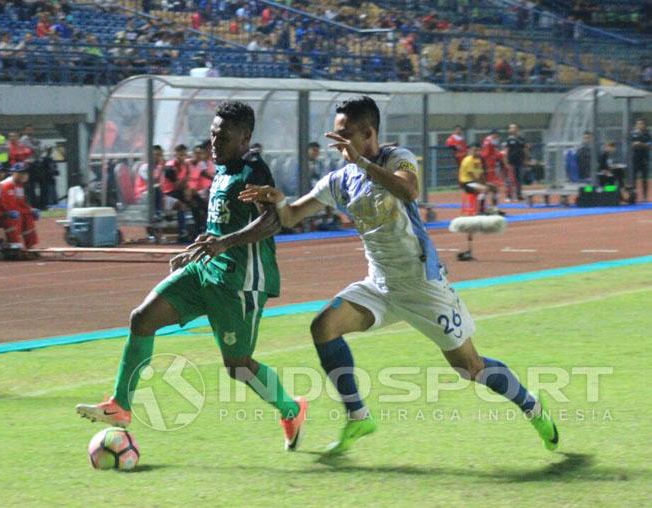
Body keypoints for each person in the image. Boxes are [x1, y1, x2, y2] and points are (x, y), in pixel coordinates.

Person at [239, 96, 558, 455]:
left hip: (423, 283)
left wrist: (362, 162)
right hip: (379, 283)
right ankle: (359, 416)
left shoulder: (396, 157)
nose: (337, 141)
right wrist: (277, 200)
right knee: (323, 327)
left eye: (344, 134)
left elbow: (408, 189)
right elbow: (292, 217)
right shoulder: (340, 179)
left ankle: (532, 406)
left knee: (470, 367)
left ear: (368, 133)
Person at [76, 101, 308, 451]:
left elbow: (273, 221)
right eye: (213, 134)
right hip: (205, 270)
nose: (214, 141)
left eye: (223, 136)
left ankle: (291, 409)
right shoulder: (224, 169)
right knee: (142, 319)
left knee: (238, 367)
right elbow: (225, 222)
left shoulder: (253, 170)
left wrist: (223, 243)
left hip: (240, 282)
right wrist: (199, 246)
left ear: (245, 138)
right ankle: (121, 405)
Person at [0, 162, 40, 252]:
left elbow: (20, 203)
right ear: (14, 173)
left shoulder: (19, 185)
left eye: (25, 173)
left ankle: (30, 245)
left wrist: (30, 210)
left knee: (28, 217)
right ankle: (14, 243)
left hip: (12, 210)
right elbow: (9, 206)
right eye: (21, 173)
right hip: (1, 212)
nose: (24, 175)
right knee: (16, 218)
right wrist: (22, 211)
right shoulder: (7, 185)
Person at [459, 142, 499, 214]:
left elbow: (480, 174)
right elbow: (472, 175)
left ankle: (494, 208)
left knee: (494, 188)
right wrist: (482, 184)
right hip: (467, 183)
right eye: (475, 150)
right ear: (471, 151)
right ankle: (480, 210)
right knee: (484, 189)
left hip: (475, 182)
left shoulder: (478, 160)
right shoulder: (468, 160)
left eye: (479, 150)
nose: (478, 152)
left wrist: (485, 182)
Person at [502, 123, 527, 201]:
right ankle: (509, 196)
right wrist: (506, 162)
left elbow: (525, 149)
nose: (513, 129)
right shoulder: (508, 140)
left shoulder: (521, 139)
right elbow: (505, 151)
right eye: (511, 128)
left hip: (519, 162)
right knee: (510, 179)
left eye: (515, 128)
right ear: (509, 130)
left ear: (517, 129)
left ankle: (519, 194)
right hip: (511, 162)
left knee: (519, 179)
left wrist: (526, 160)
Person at [480, 129, 506, 197]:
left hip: (491, 162)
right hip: (489, 163)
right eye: (496, 134)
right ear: (493, 134)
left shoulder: (489, 141)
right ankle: (485, 195)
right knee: (492, 181)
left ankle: (487, 194)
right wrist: (501, 154)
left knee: (493, 181)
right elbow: (486, 154)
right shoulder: (490, 141)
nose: (497, 136)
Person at [629, 118, 649, 201]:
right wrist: (635, 144)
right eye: (638, 124)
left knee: (644, 178)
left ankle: (644, 196)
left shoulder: (647, 135)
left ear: (644, 125)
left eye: (641, 124)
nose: (640, 125)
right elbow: (630, 144)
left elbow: (649, 146)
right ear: (635, 125)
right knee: (633, 178)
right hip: (635, 158)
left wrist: (640, 144)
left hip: (644, 158)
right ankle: (634, 196)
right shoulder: (633, 134)